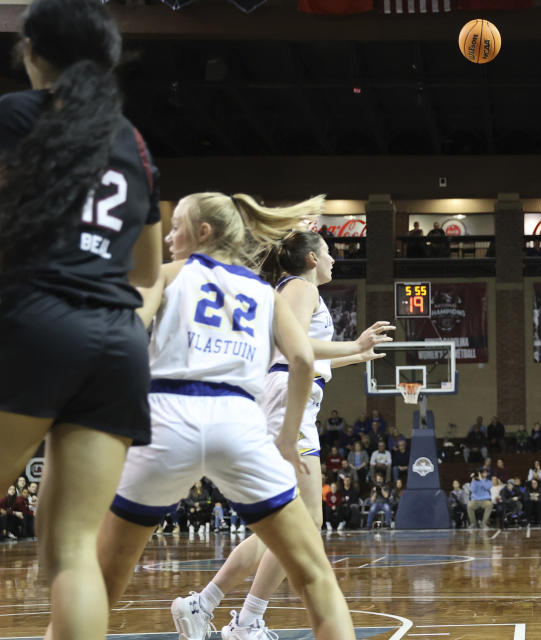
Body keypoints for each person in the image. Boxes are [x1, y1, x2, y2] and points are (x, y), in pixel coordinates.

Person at [93, 192, 395, 640]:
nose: (171, 235)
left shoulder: (171, 274)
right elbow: (300, 359)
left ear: (203, 233)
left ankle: (217, 608)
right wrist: (289, 436)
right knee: (315, 570)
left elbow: (119, 335)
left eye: (176, 226)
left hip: (171, 414)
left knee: (100, 581)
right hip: (239, 417)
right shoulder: (271, 290)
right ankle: (235, 613)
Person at [0, 2, 163, 636]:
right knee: (71, 555)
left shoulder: (16, 117)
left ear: (31, 52)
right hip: (117, 345)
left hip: (37, 321)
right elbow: (147, 271)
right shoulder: (132, 141)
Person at [175, 227, 393, 638]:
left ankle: (207, 606)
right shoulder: (300, 288)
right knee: (304, 522)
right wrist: (352, 345)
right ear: (312, 259)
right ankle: (243, 619)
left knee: (283, 525)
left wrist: (355, 354)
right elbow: (289, 345)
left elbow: (300, 350)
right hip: (284, 401)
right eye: (328, 252)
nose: (333, 260)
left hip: (286, 398)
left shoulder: (298, 289)